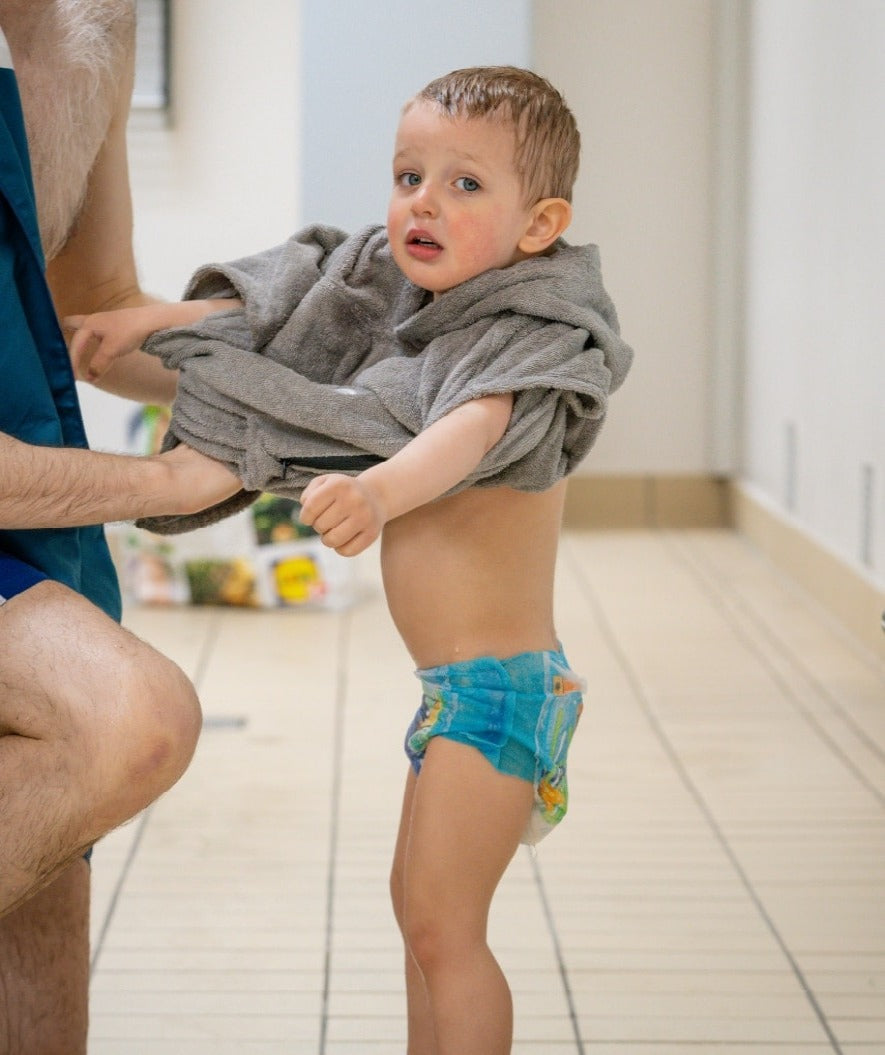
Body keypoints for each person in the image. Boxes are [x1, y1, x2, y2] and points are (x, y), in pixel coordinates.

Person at [69, 66, 633, 1054]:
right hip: (460, 690)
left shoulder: (522, 338)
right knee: (419, 915)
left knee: (445, 925)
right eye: (409, 172)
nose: (424, 199)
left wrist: (377, 491)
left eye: (465, 184)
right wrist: (147, 327)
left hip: (504, 691)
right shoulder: (392, 292)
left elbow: (470, 426)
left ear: (539, 226)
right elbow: (269, 331)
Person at [0, 6, 240, 1053]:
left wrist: (353, 381)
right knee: (130, 716)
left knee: (41, 956)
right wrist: (165, 480)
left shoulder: (99, 19)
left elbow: (97, 307)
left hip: (31, 506)